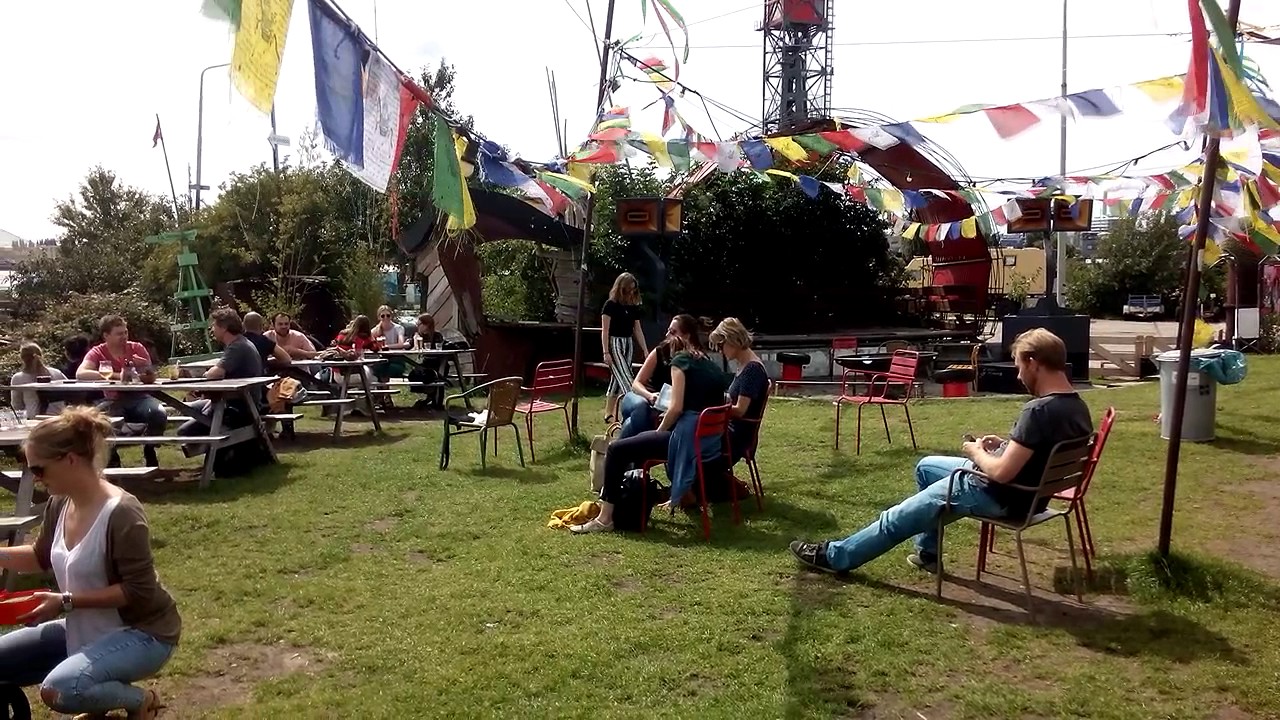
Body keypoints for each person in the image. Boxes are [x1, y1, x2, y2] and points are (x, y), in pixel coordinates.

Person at [789, 328, 1093, 575]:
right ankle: (928, 553)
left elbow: (1001, 472)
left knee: (895, 518)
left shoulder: (1038, 410)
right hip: (1029, 496)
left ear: (1033, 362)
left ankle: (835, 556)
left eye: (1019, 367)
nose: (1018, 376)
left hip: (997, 495)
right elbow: (1038, 453)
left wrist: (975, 451)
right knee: (926, 466)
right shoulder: (1077, 407)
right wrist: (1005, 445)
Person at [0, 407, 180, 719]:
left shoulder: (122, 513)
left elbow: (138, 591)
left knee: (62, 689)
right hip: (81, 626)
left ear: (69, 460)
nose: (35, 478)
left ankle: (140, 700)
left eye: (38, 470)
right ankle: (94, 690)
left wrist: (66, 602)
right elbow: (40, 556)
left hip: (142, 632)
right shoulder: (60, 502)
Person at [572, 326, 728, 534]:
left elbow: (676, 408)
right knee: (636, 433)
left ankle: (605, 518)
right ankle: (629, 487)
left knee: (617, 449)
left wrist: (659, 431)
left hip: (685, 441)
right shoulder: (709, 366)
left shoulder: (679, 363)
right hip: (709, 441)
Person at [76, 315, 166, 467]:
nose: (124, 336)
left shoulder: (136, 348)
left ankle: (150, 448)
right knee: (102, 423)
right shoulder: (98, 352)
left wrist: (146, 369)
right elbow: (81, 373)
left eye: (125, 332)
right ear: (106, 335)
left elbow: (150, 378)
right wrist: (117, 376)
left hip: (139, 398)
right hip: (113, 399)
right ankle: (112, 458)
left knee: (159, 413)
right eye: (119, 333)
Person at [178, 308, 264, 437]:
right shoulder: (240, 343)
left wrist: (206, 374)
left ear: (223, 328)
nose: (212, 330)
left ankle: (222, 451)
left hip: (240, 409)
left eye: (214, 326)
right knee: (187, 407)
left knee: (184, 432)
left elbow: (214, 373)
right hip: (236, 402)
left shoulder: (237, 346)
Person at [617, 314, 699, 439]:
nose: (667, 335)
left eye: (673, 332)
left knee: (634, 422)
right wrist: (650, 396)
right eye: (668, 330)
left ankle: (620, 451)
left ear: (687, 336)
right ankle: (637, 449)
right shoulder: (660, 352)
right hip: (639, 397)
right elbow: (636, 384)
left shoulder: (694, 358)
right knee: (641, 408)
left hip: (662, 407)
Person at [708, 318, 770, 465]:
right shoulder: (743, 365)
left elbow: (740, 410)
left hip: (736, 438)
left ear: (732, 339)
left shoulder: (751, 369)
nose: (720, 350)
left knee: (690, 441)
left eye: (721, 345)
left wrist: (710, 408)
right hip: (731, 431)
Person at [600, 272, 648, 424]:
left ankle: (608, 413)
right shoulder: (610, 305)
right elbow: (605, 330)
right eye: (629, 289)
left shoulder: (632, 307)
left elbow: (637, 330)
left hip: (628, 343)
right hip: (615, 344)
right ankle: (636, 413)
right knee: (628, 381)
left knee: (617, 378)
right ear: (622, 288)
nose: (632, 292)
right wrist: (606, 351)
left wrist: (645, 349)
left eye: (634, 289)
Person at [11, 342, 68, 417]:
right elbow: (70, 394)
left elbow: (17, 406)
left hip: (35, 419)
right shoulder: (56, 373)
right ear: (41, 355)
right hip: (58, 418)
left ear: (22, 358)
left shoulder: (18, 378)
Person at [407, 314, 447, 410]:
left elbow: (439, 351)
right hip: (424, 365)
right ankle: (430, 397)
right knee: (414, 374)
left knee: (430, 376)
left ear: (426, 325)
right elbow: (409, 346)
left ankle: (433, 399)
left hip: (436, 364)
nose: (417, 326)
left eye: (419, 324)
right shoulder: (418, 336)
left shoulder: (437, 336)